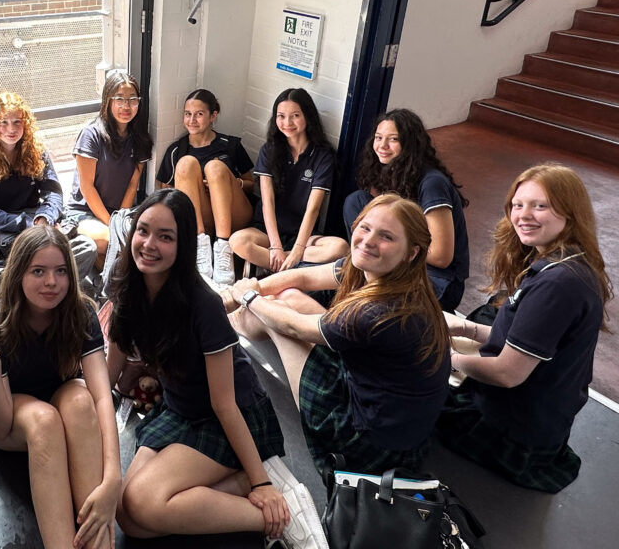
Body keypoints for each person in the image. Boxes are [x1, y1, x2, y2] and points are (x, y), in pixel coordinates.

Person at [107, 189, 324, 547]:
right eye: (143, 231)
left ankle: (273, 514)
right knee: (128, 515)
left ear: (183, 246)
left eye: (165, 237)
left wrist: (261, 484)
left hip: (228, 417)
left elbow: (225, 403)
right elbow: (108, 375)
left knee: (145, 502)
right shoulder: (128, 286)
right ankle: (235, 486)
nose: (148, 244)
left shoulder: (202, 305)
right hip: (179, 411)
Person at [228, 194, 450, 474]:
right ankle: (230, 318)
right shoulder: (393, 276)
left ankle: (226, 326)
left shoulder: (375, 311)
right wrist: (239, 296)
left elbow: (294, 326)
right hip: (394, 417)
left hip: (368, 441)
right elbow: (303, 277)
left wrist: (247, 296)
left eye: (386, 237)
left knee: (275, 318)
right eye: (366, 227)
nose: (368, 240)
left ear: (412, 252)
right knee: (289, 297)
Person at [0, 226, 120, 549]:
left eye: (60, 271)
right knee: (44, 419)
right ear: (18, 274)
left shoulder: (80, 314)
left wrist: (112, 481)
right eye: (38, 271)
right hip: (10, 416)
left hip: (61, 404)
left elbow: (102, 398)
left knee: (80, 400)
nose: (51, 282)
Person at [438, 164, 613, 493]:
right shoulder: (567, 264)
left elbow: (508, 373)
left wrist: (446, 358)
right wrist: (465, 328)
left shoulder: (557, 285)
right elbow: (521, 340)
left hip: (511, 435)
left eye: (540, 205)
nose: (523, 215)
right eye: (518, 205)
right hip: (537, 423)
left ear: (570, 210)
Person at [0, 92, 96, 300]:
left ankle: (16, 282)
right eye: (3, 122)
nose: (11, 129)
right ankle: (43, 279)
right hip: (1, 236)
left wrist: (44, 218)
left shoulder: (37, 151)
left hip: (38, 228)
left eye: (17, 122)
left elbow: (53, 192)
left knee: (88, 247)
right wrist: (24, 223)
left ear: (26, 124)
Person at [343, 108, 469, 311]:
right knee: (356, 201)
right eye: (378, 137)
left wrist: (394, 248)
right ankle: (366, 271)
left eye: (393, 139)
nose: (382, 146)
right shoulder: (391, 172)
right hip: (402, 266)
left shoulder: (432, 182)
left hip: (437, 280)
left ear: (410, 144)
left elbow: (441, 256)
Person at [229, 88, 348, 276]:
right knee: (237, 241)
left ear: (307, 116)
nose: (287, 123)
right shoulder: (270, 149)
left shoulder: (322, 155)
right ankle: (289, 268)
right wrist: (275, 246)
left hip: (303, 235)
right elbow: (267, 202)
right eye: (281, 116)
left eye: (295, 116)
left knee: (340, 248)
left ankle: (278, 264)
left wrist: (298, 249)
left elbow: (313, 208)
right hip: (267, 232)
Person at [155, 89, 255, 285]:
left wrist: (229, 183)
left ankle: (223, 248)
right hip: (201, 218)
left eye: (199, 114)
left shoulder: (230, 144)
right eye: (187, 114)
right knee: (185, 164)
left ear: (213, 116)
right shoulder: (177, 150)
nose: (192, 120)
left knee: (215, 167)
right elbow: (166, 193)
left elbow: (251, 185)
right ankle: (199, 244)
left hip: (233, 215)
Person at [65, 69, 153, 259]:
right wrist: (111, 224)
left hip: (120, 211)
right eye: (119, 99)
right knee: (110, 241)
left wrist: (119, 220)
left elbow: (132, 185)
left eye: (132, 99)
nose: (126, 106)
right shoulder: (91, 135)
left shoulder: (140, 139)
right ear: (108, 100)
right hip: (85, 211)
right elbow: (87, 188)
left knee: (146, 241)